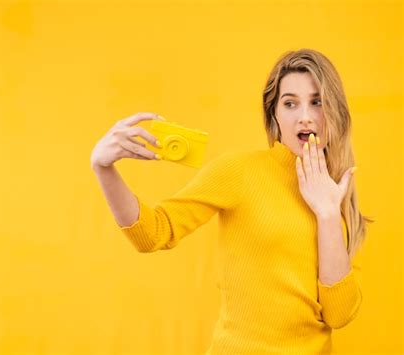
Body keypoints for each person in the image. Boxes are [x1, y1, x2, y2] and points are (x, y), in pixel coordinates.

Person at [90, 48, 373, 354]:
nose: (305, 117)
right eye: (290, 103)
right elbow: (155, 231)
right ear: (274, 115)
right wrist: (103, 168)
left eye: (317, 102)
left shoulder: (337, 193)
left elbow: (339, 315)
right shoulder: (239, 172)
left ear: (335, 110)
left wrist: (328, 214)